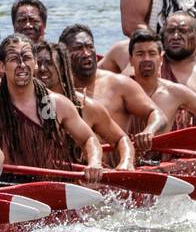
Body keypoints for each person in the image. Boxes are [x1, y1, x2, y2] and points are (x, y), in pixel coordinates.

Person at [0, 34, 103, 182]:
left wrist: (94, 162)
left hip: (48, 183)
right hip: (6, 183)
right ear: (2, 66)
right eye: (14, 59)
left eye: (27, 58)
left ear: (35, 63)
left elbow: (88, 139)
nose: (22, 64)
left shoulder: (56, 104)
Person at [60, 24, 166, 153]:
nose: (86, 53)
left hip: (116, 165)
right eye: (78, 48)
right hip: (73, 166)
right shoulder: (56, 89)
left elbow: (158, 114)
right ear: (63, 54)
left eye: (90, 47)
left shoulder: (119, 84)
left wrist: (149, 131)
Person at [34, 40, 135, 170]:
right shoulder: (25, 104)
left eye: (49, 63)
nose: (42, 69)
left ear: (63, 68)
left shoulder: (87, 107)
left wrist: (126, 162)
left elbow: (121, 139)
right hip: (38, 175)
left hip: (80, 179)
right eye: (38, 63)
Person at [125, 32, 196, 153]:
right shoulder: (119, 90)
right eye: (140, 54)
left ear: (161, 59)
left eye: (152, 54)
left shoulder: (175, 92)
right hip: (126, 161)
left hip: (162, 163)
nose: (146, 59)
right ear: (130, 60)